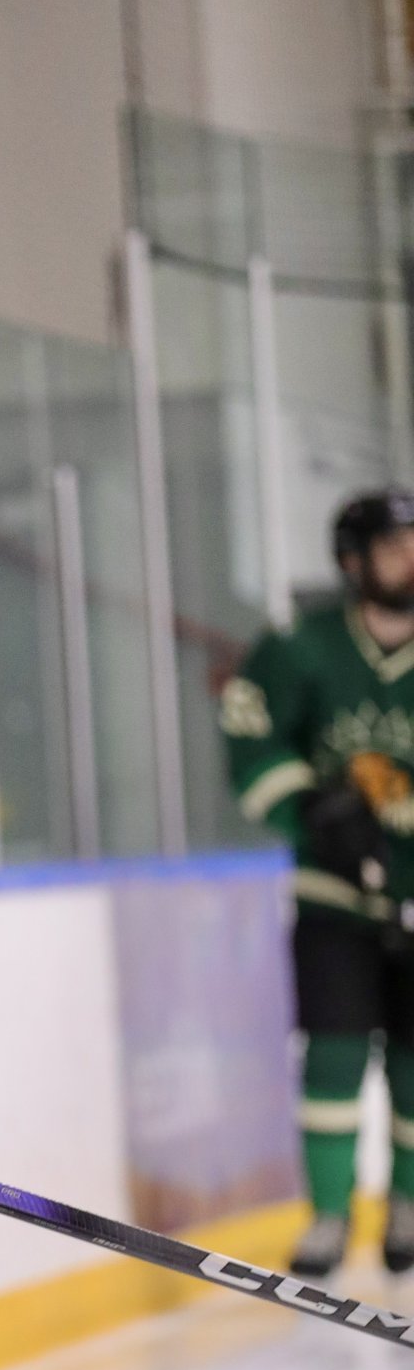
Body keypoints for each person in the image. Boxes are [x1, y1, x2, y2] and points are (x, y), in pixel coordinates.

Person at [222, 490, 414, 1280]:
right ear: (352, 562)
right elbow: (250, 738)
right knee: (333, 1056)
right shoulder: (301, 647)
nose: (410, 560)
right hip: (334, 898)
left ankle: (407, 1206)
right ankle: (330, 1215)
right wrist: (313, 811)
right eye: (395, 547)